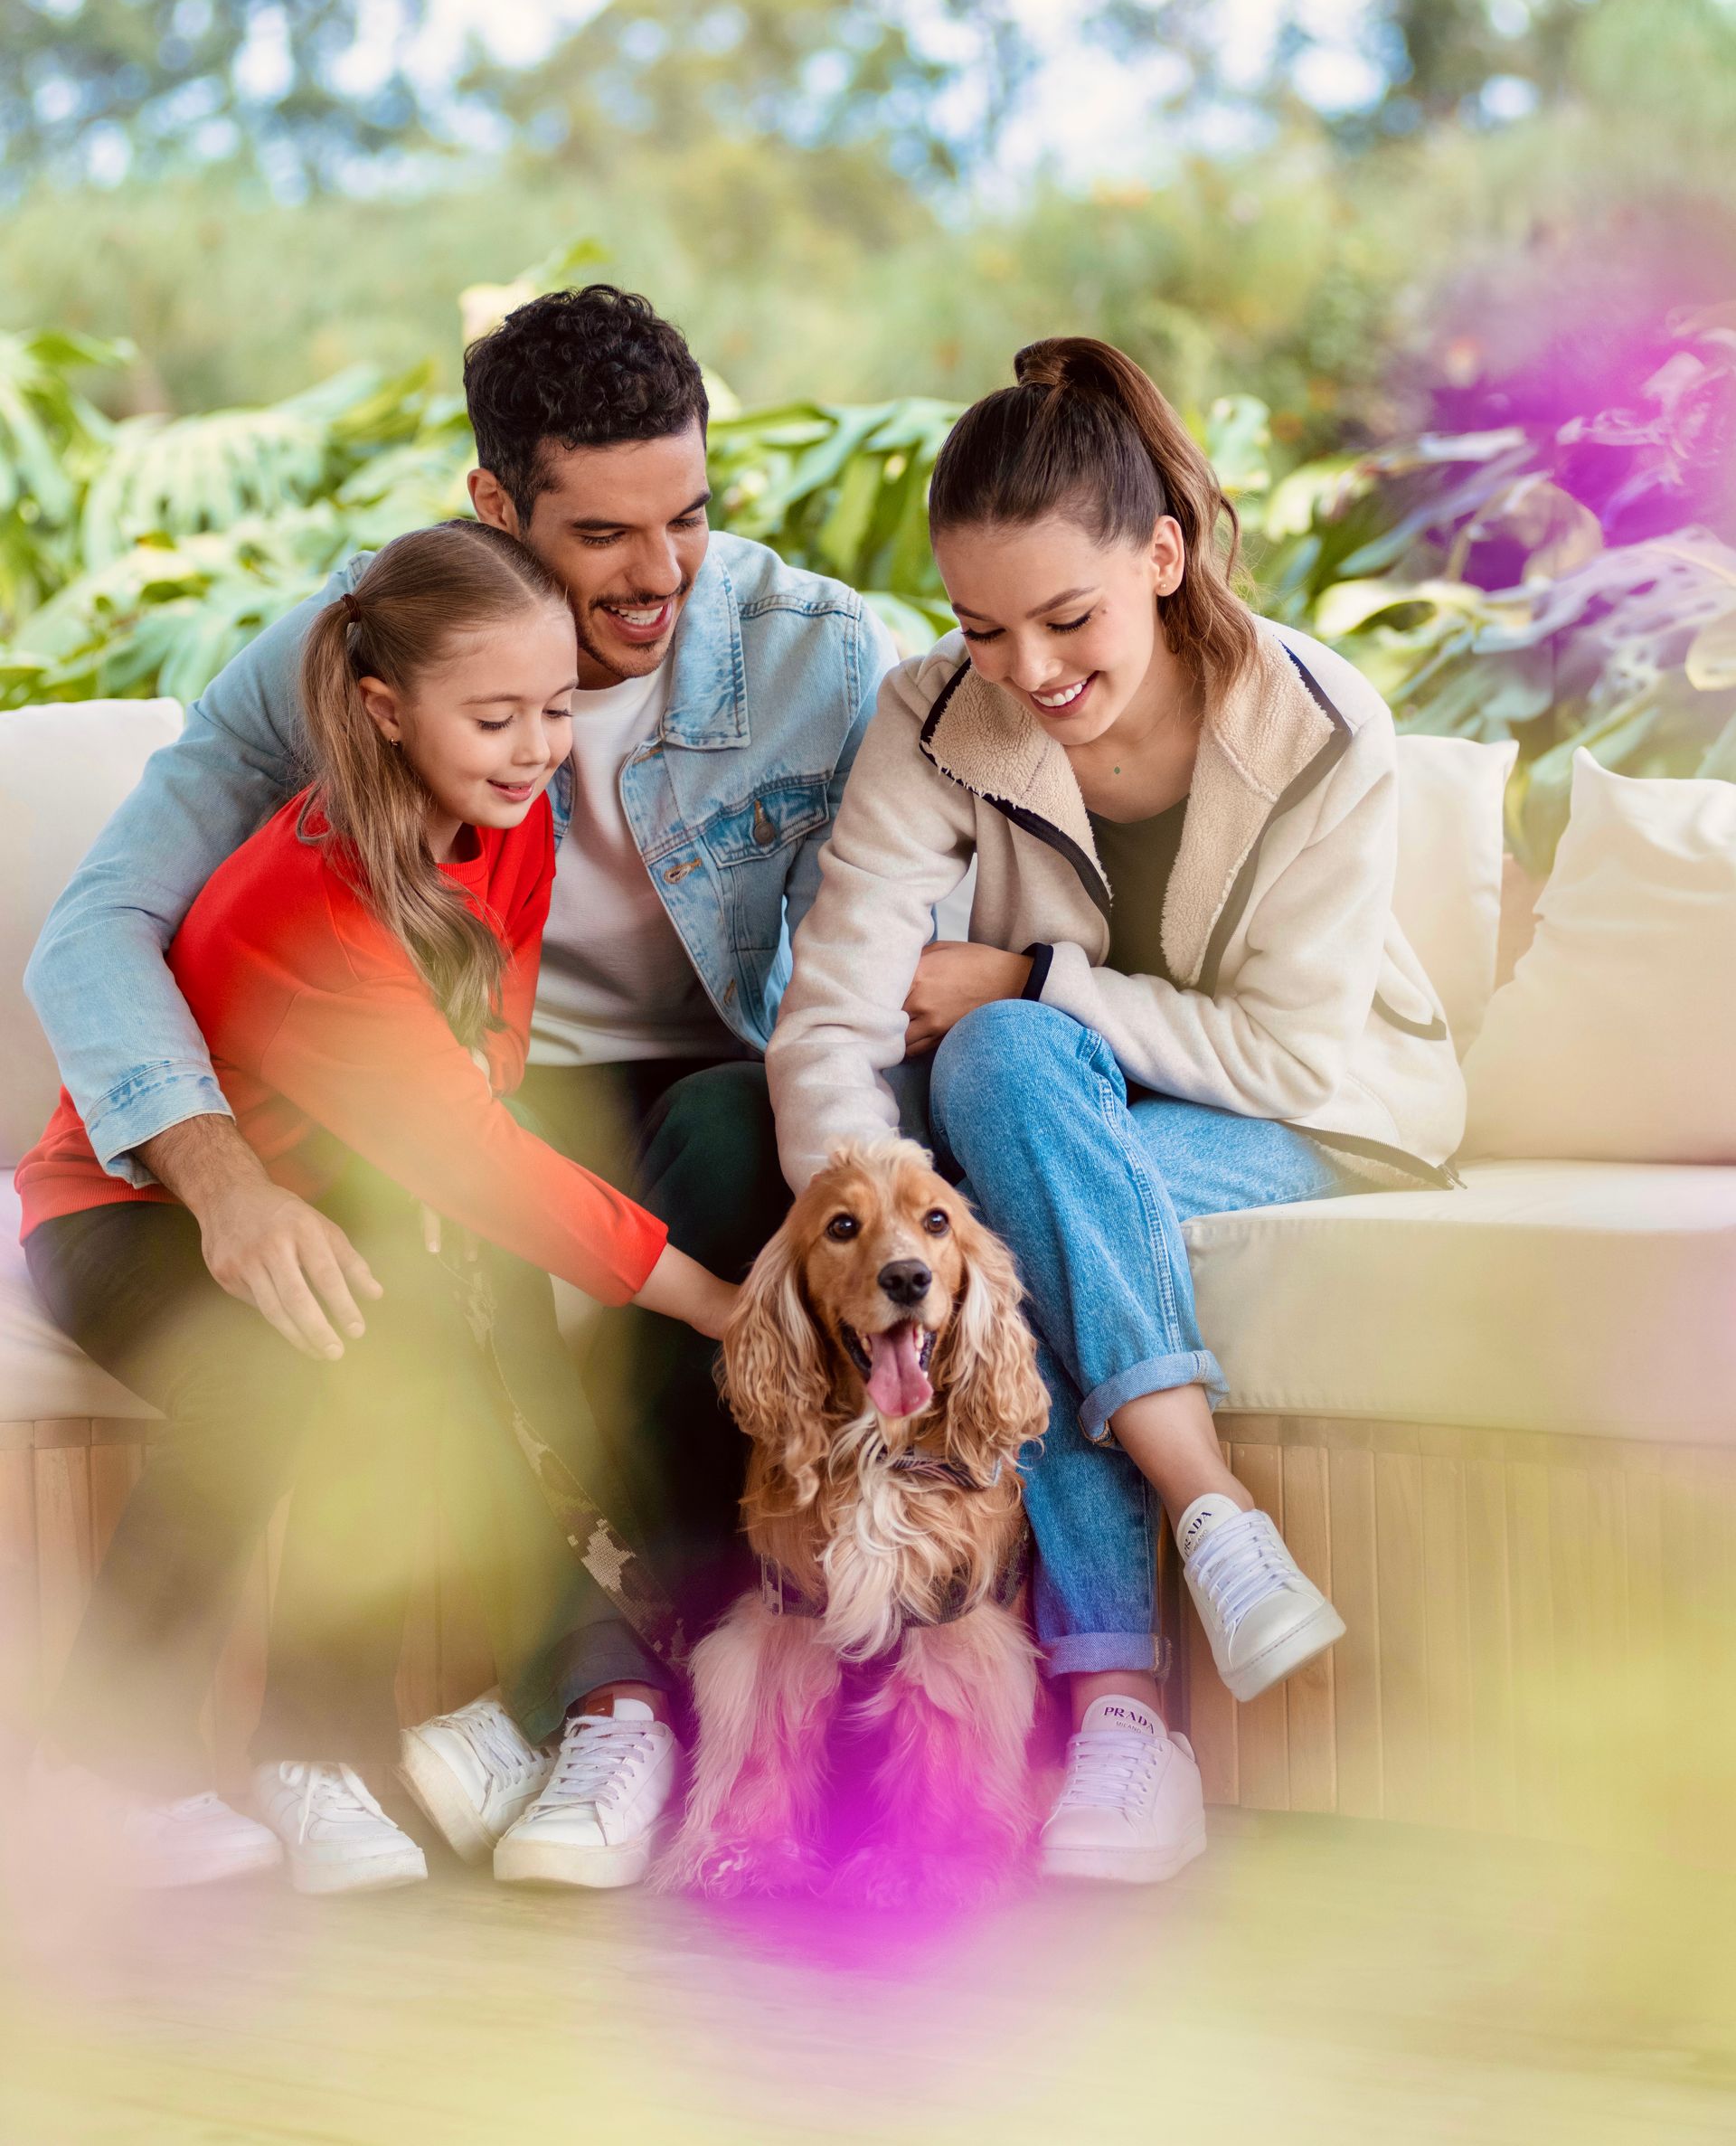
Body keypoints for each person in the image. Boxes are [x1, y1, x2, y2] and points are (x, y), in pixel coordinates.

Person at [24, 283, 897, 1888]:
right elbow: (91, 943)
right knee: (383, 1301)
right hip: (400, 1124)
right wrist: (226, 1183)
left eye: (689, 517)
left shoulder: (808, 658)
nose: (660, 577)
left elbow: (982, 811)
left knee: (700, 1145)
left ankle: (627, 1702)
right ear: (494, 507)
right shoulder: (350, 682)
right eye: (604, 534)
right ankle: (569, 1703)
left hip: (669, 1086)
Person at [767, 336, 1466, 1885]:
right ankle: (1210, 1524)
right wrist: (849, 1215)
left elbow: (1293, 1058)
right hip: (1073, 1126)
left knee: (1007, 1083)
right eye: (983, 626)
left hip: (1319, 1114)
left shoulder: (1322, 727)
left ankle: (1118, 1709)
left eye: (1068, 617)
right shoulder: (937, 713)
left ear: (1164, 555)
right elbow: (834, 1004)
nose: (1027, 668)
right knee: (999, 1114)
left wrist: (1035, 971)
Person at [19, 522, 739, 1892]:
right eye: (495, 717)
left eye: (554, 710)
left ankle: (317, 1745)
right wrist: (710, 1293)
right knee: (260, 1361)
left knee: (398, 1345)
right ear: (382, 707)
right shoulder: (314, 900)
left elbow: (497, 1026)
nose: (536, 747)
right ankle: (102, 1769)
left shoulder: (507, 815)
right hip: (119, 1203)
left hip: (325, 1185)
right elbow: (482, 1157)